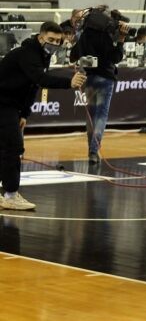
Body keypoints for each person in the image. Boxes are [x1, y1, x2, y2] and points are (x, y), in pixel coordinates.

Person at [0, 22, 86, 210]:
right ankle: (10, 195)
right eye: (50, 39)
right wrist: (69, 83)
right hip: (3, 103)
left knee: (6, 147)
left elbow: (33, 87)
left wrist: (24, 113)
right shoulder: (27, 54)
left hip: (11, 106)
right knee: (13, 147)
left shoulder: (43, 55)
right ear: (40, 38)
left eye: (57, 41)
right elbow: (40, 79)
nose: (54, 44)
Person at [70, 7, 130, 165]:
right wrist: (121, 39)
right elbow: (115, 57)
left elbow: (73, 56)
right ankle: (93, 151)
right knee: (101, 116)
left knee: (91, 116)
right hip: (105, 77)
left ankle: (92, 150)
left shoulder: (85, 35)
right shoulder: (106, 35)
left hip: (89, 77)